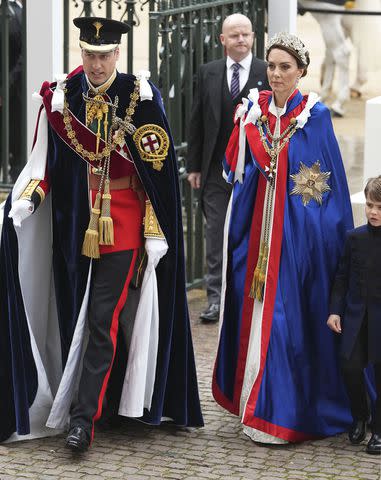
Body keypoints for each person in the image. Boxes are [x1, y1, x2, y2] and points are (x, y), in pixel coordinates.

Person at [0, 16, 203, 451]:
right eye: (89, 55)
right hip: (74, 222)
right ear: (82, 54)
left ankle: (82, 422)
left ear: (117, 55)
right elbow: (45, 165)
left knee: (101, 318)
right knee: (74, 313)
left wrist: (155, 231)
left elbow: (159, 172)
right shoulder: (64, 98)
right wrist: (28, 200)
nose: (95, 64)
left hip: (123, 221)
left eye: (104, 55)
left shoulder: (140, 97)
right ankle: (99, 403)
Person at [212, 32, 354, 443]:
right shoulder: (252, 114)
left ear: (301, 72)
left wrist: (305, 240)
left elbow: (322, 191)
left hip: (296, 241)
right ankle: (255, 401)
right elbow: (233, 170)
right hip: (256, 235)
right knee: (255, 313)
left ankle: (281, 410)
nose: (276, 74)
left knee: (287, 320)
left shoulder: (315, 116)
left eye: (285, 67)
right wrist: (243, 130)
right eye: (271, 66)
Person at [187, 13, 269, 322]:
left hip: (254, 172)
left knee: (251, 231)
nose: (241, 40)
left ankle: (246, 296)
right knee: (215, 232)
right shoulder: (208, 73)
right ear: (223, 40)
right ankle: (214, 299)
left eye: (246, 34)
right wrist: (194, 166)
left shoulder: (266, 72)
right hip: (214, 171)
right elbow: (196, 122)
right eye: (234, 35)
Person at [327, 176, 381, 455]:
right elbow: (341, 277)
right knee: (349, 366)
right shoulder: (355, 237)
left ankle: (379, 431)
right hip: (356, 316)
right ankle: (360, 415)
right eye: (370, 205)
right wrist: (335, 310)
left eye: (380, 207)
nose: (373, 212)